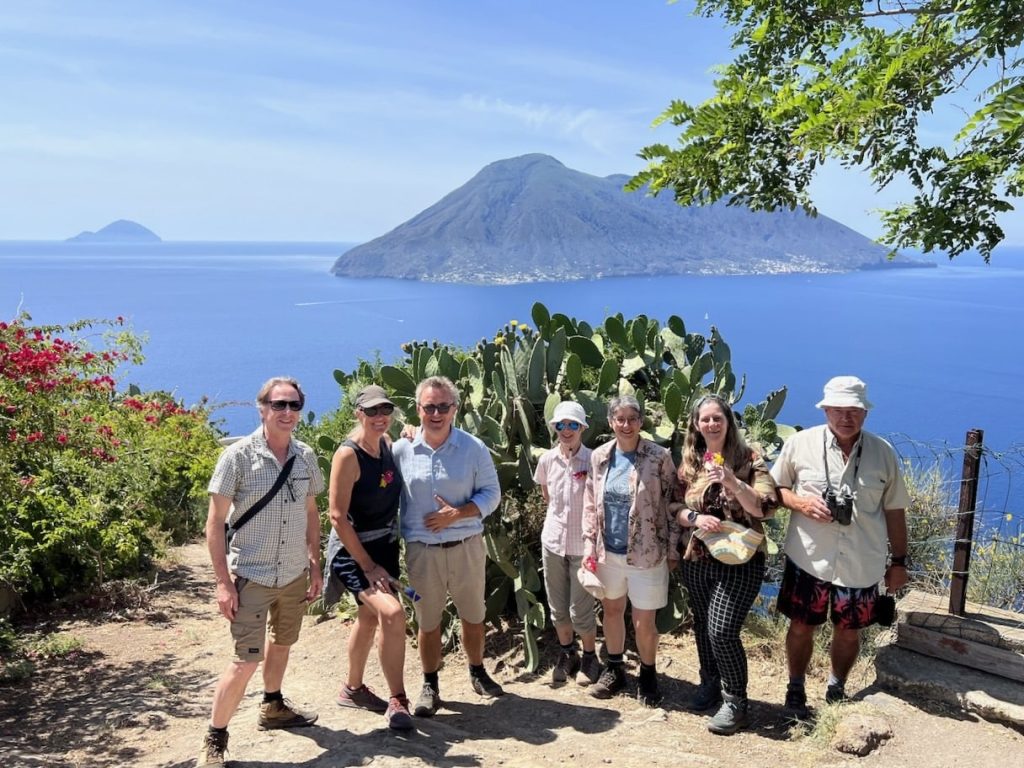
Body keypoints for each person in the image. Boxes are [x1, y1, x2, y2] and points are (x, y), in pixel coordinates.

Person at [198, 377, 324, 767]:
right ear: (262, 408)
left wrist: (315, 563)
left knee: (282, 643)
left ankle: (273, 707)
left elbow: (310, 513)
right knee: (244, 661)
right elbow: (214, 523)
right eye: (279, 404)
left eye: (294, 405)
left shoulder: (305, 456)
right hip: (251, 576)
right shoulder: (236, 457)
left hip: (292, 574)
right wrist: (222, 583)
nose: (287, 412)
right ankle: (215, 738)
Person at [770, 376, 910, 719]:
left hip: (862, 561)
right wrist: (801, 504)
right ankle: (796, 687)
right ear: (825, 409)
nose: (846, 417)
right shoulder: (800, 444)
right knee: (801, 627)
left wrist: (900, 562)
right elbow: (774, 490)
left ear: (864, 413)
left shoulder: (883, 454)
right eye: (838, 410)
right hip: (809, 558)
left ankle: (836, 688)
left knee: (849, 632)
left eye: (854, 411)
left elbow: (895, 511)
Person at [393, 375, 504, 717]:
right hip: (422, 552)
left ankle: (477, 670)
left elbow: (492, 494)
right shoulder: (401, 450)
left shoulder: (473, 448)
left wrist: (457, 514)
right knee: (428, 621)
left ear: (456, 408)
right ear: (418, 409)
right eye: (430, 407)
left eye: (444, 406)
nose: (437, 413)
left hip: (467, 545)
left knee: (474, 616)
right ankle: (430, 684)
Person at [675, 394, 778, 734]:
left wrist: (732, 481)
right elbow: (672, 505)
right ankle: (709, 683)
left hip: (742, 559)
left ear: (728, 422)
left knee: (722, 629)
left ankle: (735, 701)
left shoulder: (750, 459)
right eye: (705, 419)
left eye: (718, 418)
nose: (712, 424)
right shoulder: (690, 461)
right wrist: (693, 517)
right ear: (696, 424)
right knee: (704, 624)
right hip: (699, 556)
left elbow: (764, 506)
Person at [582, 394, 680, 707]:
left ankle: (648, 676)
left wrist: (675, 546)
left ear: (641, 422)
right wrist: (588, 543)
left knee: (644, 620)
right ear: (610, 422)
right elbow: (589, 501)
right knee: (611, 610)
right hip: (607, 550)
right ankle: (614, 669)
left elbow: (672, 500)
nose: (626, 425)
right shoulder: (599, 456)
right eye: (619, 419)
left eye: (632, 419)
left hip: (647, 552)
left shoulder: (659, 456)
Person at [325, 385, 413, 730]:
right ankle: (399, 700)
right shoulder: (348, 455)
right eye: (372, 411)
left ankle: (353, 688)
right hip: (352, 549)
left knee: (368, 618)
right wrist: (367, 565)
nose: (380, 417)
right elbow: (336, 516)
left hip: (384, 545)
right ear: (358, 413)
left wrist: (413, 432)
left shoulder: (388, 445)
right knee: (392, 613)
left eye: (385, 410)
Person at [533, 400, 602, 687]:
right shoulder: (547, 460)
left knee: (580, 609)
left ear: (583, 428)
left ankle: (589, 656)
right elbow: (547, 496)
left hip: (582, 545)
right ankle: (566, 654)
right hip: (552, 542)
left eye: (572, 424)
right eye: (560, 425)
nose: (566, 430)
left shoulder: (594, 460)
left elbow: (599, 503)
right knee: (557, 608)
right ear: (555, 429)